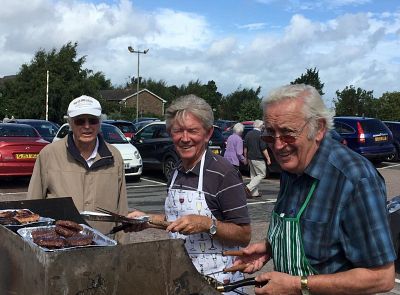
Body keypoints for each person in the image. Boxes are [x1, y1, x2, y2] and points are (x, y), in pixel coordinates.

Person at [233, 84, 396, 294]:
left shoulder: (355, 178)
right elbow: (312, 238)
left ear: (318, 129)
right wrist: (270, 248)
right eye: (270, 134)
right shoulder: (292, 167)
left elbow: (382, 277)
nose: (278, 145)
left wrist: (296, 285)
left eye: (288, 134)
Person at [127, 94, 251, 290]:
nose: (185, 139)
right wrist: (146, 220)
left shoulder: (223, 173)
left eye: (193, 131)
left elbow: (244, 234)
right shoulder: (176, 170)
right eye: (178, 131)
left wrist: (206, 224)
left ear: (208, 133)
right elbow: (178, 220)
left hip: (219, 284)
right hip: (183, 279)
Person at [27, 95, 128, 240]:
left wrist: (122, 247)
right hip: (60, 245)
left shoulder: (114, 156)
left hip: (104, 245)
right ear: (70, 123)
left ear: (99, 123)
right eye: (80, 121)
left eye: (92, 120)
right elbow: (34, 204)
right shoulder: (49, 154)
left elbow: (122, 208)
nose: (87, 126)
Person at [244, 119, 271, 198]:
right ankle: (248, 187)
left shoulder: (248, 134)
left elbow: (245, 147)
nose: (263, 127)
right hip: (258, 158)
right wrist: (268, 158)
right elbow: (263, 148)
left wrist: (246, 157)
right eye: (262, 125)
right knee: (262, 174)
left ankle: (254, 193)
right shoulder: (260, 135)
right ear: (260, 126)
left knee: (254, 175)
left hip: (250, 157)